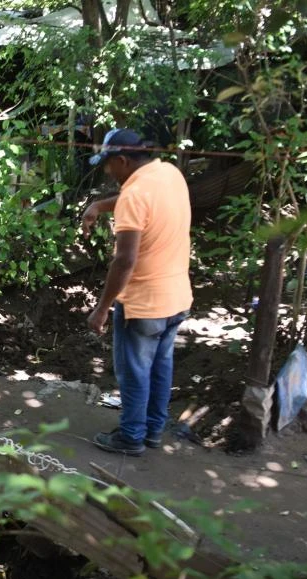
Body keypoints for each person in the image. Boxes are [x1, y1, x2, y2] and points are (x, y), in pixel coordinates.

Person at [82, 128, 192, 456]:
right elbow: (141, 201)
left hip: (143, 305)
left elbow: (124, 260)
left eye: (108, 164)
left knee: (134, 372)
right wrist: (100, 205)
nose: (107, 171)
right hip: (176, 299)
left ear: (122, 160)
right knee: (160, 367)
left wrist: (102, 308)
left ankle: (131, 436)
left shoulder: (133, 195)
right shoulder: (169, 173)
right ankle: (153, 431)